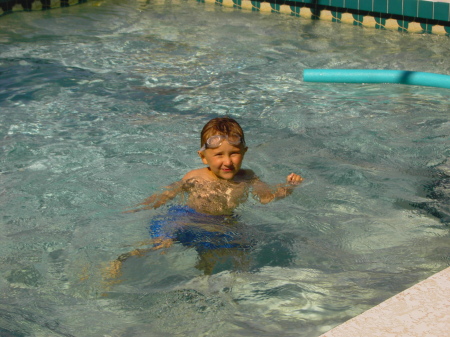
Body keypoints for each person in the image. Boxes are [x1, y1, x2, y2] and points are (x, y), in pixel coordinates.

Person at [104, 117, 303, 280]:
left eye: (234, 153)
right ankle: (123, 260)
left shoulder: (248, 177)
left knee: (240, 250)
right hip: (185, 218)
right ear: (203, 157)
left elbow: (266, 197)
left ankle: (210, 284)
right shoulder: (195, 177)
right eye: (218, 155)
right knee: (161, 246)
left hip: (222, 224)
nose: (227, 161)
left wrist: (287, 188)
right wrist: (141, 207)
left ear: (244, 152)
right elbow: (167, 194)